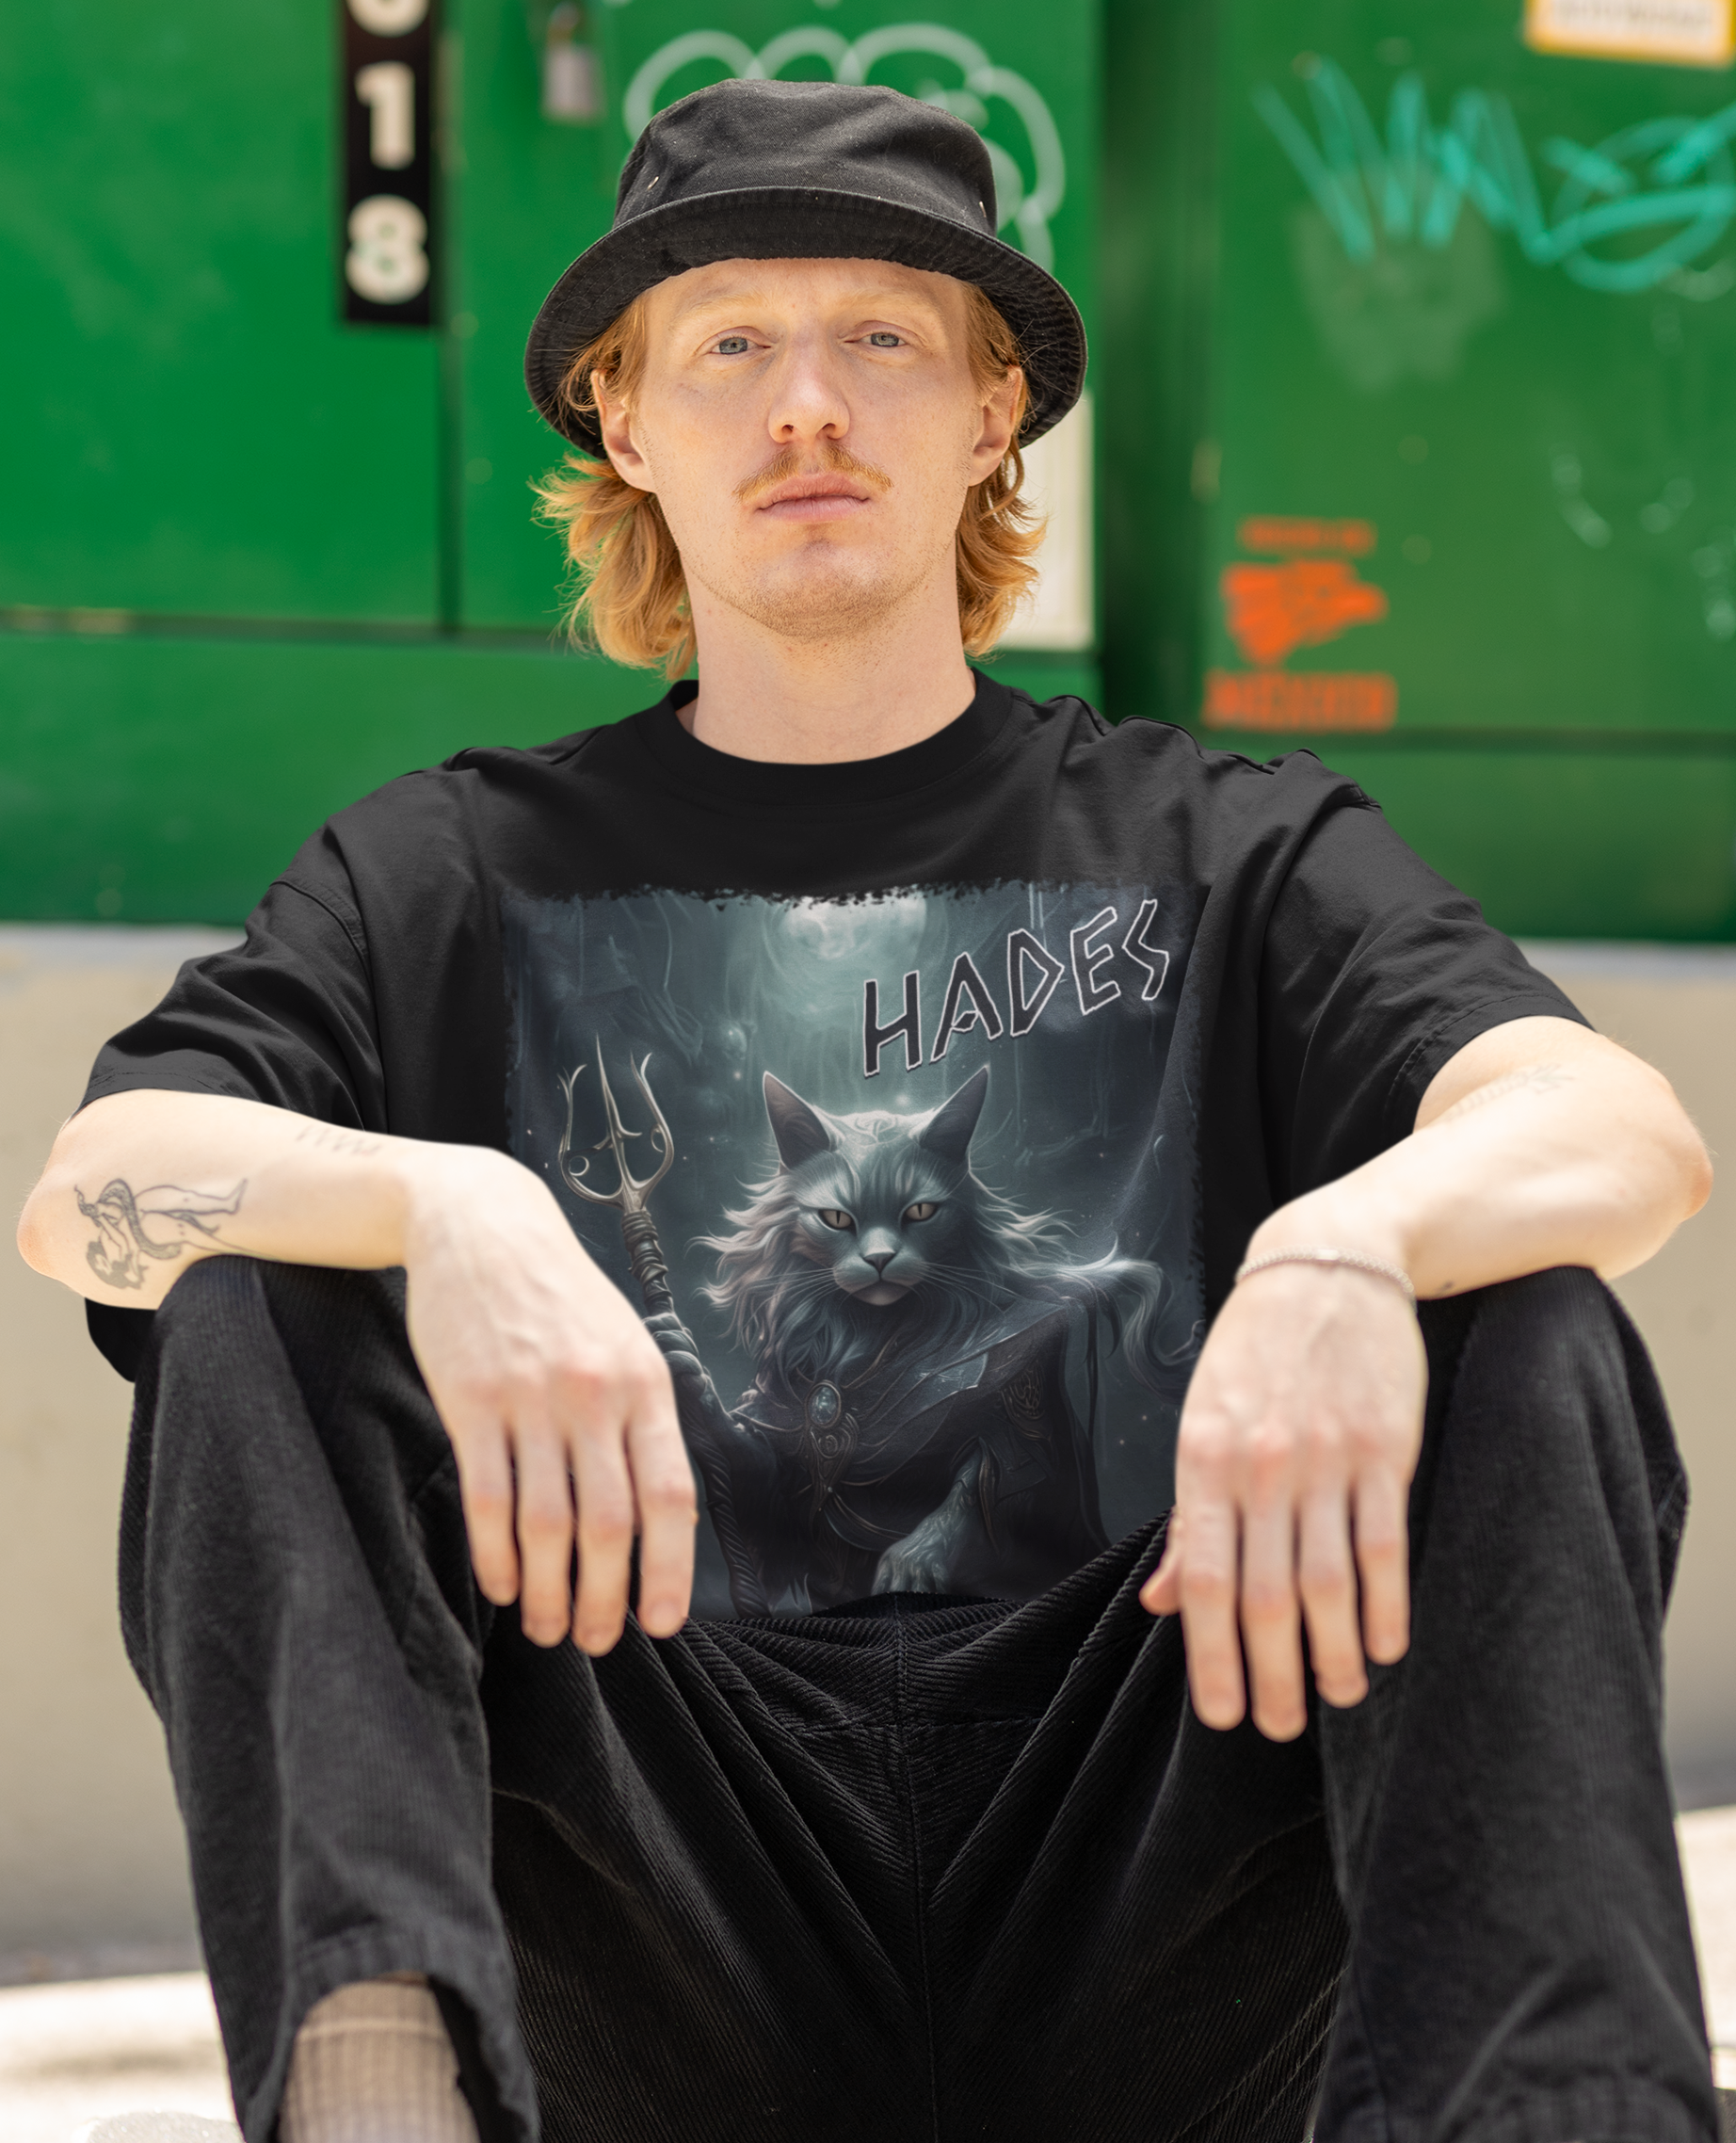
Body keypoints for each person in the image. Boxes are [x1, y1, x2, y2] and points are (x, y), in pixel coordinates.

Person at [16, 76, 1722, 2143]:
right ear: (624, 425)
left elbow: (1614, 1127)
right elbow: (95, 1181)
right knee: (256, 1291)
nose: (805, 405)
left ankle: (1553, 2120)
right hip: (661, 1881)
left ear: (994, 410)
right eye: (730, 343)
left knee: (1519, 1312)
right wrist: (442, 1201)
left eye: (882, 340)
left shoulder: (1232, 847)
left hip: (1162, 1856)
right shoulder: (441, 871)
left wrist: (1343, 1239)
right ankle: (383, 2103)